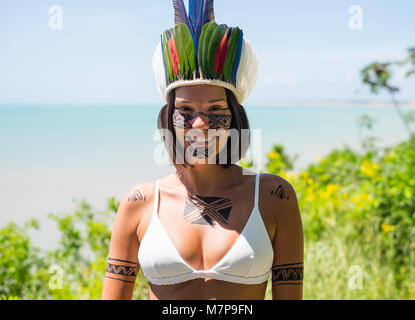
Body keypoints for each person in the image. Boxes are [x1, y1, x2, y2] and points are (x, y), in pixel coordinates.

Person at [101, 0, 303, 300]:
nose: (200, 124)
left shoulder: (275, 197)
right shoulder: (140, 202)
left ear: (234, 118)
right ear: (169, 118)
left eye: (216, 110)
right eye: (185, 110)